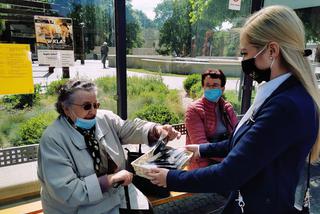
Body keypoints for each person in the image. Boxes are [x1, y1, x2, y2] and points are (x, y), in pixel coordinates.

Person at [148, 5, 320, 213]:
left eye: (245, 53)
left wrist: (169, 178)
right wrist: (202, 149)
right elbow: (243, 142)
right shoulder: (282, 95)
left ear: (272, 51)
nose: (242, 61)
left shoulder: (285, 106)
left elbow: (229, 174)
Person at [37, 79, 180, 214]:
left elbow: (129, 128)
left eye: (96, 105)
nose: (93, 111)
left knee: (145, 208)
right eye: (86, 106)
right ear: (66, 108)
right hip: (79, 208)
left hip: (115, 196)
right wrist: (110, 180)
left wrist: (156, 130)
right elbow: (67, 191)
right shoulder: (53, 139)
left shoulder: (104, 118)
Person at [185, 69, 238, 169]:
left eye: (215, 85)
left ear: (222, 89)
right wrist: (230, 159)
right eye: (208, 85)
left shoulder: (227, 107)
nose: (211, 88)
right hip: (203, 165)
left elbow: (237, 135)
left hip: (226, 161)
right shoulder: (194, 110)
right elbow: (200, 144)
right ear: (203, 87)